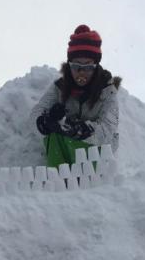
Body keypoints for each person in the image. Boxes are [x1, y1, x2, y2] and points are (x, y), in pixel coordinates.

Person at [31, 24, 121, 168]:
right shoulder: (59, 88)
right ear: (69, 65)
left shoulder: (107, 91)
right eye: (76, 66)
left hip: (97, 155)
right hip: (65, 151)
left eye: (88, 67)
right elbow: (36, 112)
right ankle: (60, 181)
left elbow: (108, 130)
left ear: (96, 66)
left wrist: (78, 129)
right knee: (53, 135)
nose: (81, 73)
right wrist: (44, 122)